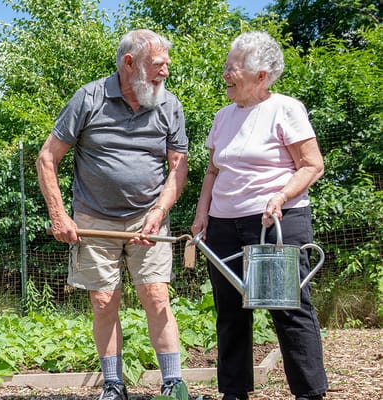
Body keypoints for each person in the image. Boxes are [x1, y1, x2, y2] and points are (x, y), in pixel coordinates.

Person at [36, 29, 189, 400]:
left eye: (167, 64)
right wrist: (60, 215)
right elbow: (46, 158)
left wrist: (159, 210)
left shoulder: (169, 105)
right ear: (129, 63)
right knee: (104, 301)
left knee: (156, 296)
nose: (165, 72)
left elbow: (178, 167)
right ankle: (113, 385)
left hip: (148, 218)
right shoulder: (89, 98)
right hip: (93, 220)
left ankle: (172, 383)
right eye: (158, 65)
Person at [190, 31, 327, 400]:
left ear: (261, 75)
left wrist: (280, 196)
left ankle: (309, 393)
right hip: (222, 226)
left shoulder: (285, 109)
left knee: (288, 309)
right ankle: (233, 393)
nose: (225, 75)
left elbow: (313, 165)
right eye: (226, 67)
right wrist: (202, 215)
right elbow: (213, 171)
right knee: (230, 312)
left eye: (232, 68)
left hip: (273, 223)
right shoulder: (223, 116)